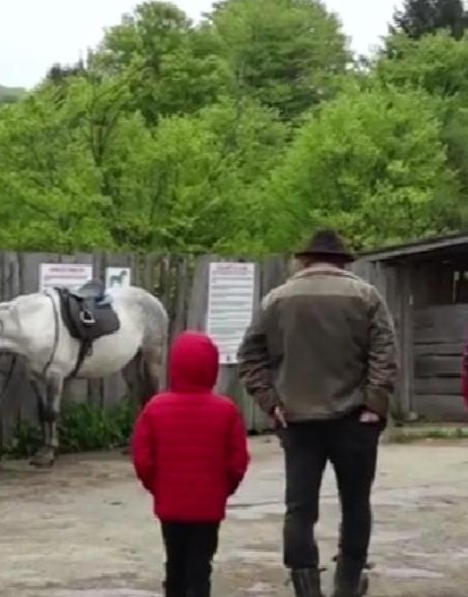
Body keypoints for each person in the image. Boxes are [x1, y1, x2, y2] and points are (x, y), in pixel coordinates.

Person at [237, 229, 398, 597]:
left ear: (305, 260)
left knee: (300, 507)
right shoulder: (365, 295)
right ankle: (347, 583)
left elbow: (250, 357)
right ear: (342, 261)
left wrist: (271, 402)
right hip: (355, 419)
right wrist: (374, 404)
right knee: (356, 503)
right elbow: (384, 355)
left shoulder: (276, 299)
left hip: (297, 419)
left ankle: (305, 586)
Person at [132, 331, 250, 597]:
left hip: (170, 505)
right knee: (200, 567)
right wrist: (223, 489)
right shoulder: (226, 410)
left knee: (175, 563)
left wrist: (158, 487)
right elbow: (237, 461)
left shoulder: (155, 408)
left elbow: (143, 459)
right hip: (208, 507)